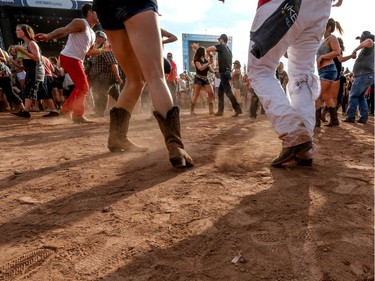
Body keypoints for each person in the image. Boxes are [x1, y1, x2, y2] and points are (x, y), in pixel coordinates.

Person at [92, 0, 193, 169]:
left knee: (135, 80)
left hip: (105, 7)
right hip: (137, 5)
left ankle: (117, 138)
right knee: (155, 76)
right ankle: (175, 146)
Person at [247, 0, 343, 167]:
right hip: (321, 7)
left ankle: (293, 133)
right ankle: (304, 148)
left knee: (260, 69)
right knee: (302, 74)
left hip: (284, 4)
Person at [35, 3, 106, 123]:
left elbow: (89, 52)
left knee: (82, 87)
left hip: (76, 59)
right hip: (69, 57)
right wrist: (48, 36)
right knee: (84, 87)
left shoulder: (93, 33)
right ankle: (74, 114)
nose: (100, 14)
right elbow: (65, 30)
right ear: (90, 12)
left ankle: (67, 112)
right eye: (97, 11)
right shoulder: (81, 22)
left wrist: (103, 50)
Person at [11, 24, 57, 119]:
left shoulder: (31, 43)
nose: (16, 31)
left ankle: (26, 111)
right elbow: (29, 59)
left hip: (36, 70)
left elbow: (37, 58)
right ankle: (54, 110)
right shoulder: (26, 44)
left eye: (18, 30)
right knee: (42, 91)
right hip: (33, 70)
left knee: (29, 88)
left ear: (25, 32)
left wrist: (22, 51)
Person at [87, 30, 122, 117]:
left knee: (101, 93)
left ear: (104, 39)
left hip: (106, 77)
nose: (97, 39)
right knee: (117, 96)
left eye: (100, 37)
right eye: (96, 37)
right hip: (99, 78)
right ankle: (125, 108)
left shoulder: (106, 50)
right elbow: (90, 65)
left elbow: (113, 63)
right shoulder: (96, 51)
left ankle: (100, 112)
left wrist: (117, 76)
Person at [315, 18, 343, 127]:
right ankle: (334, 120)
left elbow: (337, 52)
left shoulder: (331, 37)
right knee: (327, 97)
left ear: (328, 27)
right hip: (324, 71)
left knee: (317, 95)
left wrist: (322, 56)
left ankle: (316, 121)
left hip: (328, 70)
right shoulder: (323, 39)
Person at [206, 34, 242, 117]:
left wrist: (210, 55)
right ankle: (220, 110)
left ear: (222, 40)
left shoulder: (221, 46)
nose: (219, 41)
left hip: (224, 73)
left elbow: (208, 49)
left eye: (219, 40)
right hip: (227, 72)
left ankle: (237, 109)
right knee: (220, 92)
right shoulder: (229, 50)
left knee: (228, 92)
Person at [343, 31, 374, 124]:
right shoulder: (366, 49)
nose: (360, 41)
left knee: (353, 95)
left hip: (363, 75)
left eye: (361, 39)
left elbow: (369, 41)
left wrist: (355, 50)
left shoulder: (370, 43)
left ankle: (350, 116)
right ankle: (363, 117)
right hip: (365, 75)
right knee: (361, 97)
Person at [190, 46, 215, 115]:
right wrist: (208, 63)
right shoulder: (197, 60)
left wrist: (215, 72)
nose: (206, 53)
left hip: (205, 79)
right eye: (205, 52)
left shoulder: (206, 61)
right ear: (202, 52)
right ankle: (192, 110)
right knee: (196, 94)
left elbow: (210, 69)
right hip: (198, 79)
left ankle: (211, 110)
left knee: (211, 93)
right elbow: (200, 68)